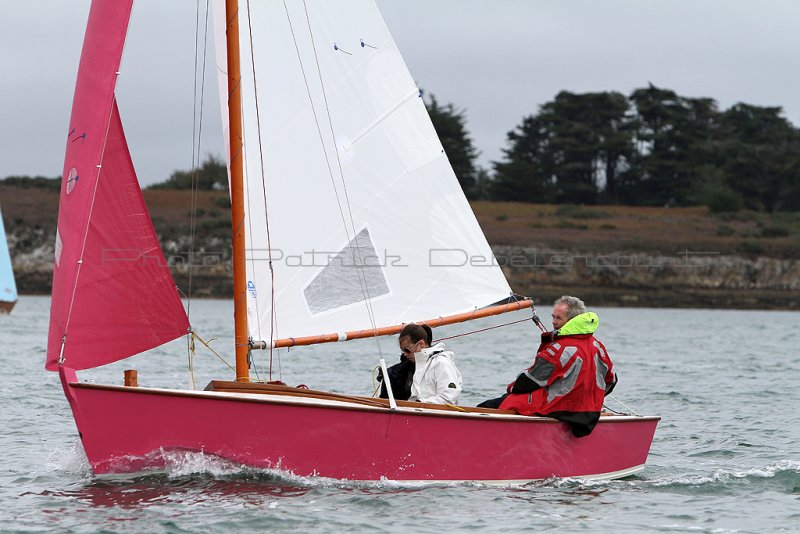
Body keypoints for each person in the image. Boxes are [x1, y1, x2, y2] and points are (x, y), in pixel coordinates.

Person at [477, 296, 617, 437]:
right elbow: (611, 380)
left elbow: (529, 381)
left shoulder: (560, 348)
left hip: (558, 409)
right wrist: (591, 400)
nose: (553, 322)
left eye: (558, 318)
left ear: (572, 321)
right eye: (553, 317)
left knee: (490, 405)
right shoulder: (597, 346)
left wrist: (512, 389)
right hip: (589, 413)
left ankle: (478, 438)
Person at [395, 323, 462, 405]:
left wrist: (420, 403)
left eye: (407, 350)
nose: (405, 354)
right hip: (418, 412)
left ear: (421, 344)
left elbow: (449, 398)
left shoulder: (441, 363)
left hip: (437, 415)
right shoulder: (415, 366)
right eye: (403, 351)